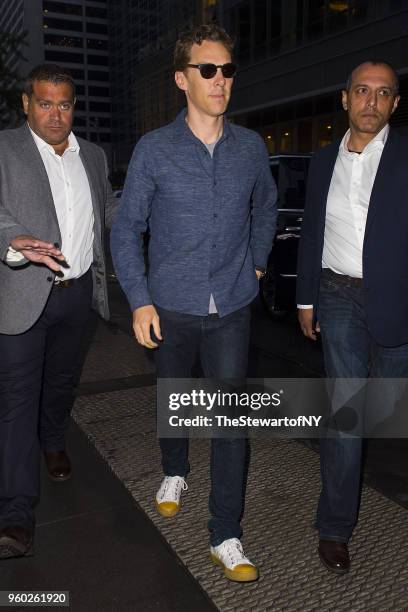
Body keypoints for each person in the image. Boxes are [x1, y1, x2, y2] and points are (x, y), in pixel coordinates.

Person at [111, 24, 277, 582]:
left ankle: (225, 534)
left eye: (227, 69)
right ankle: (174, 469)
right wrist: (138, 300)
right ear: (183, 79)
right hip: (171, 305)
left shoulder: (251, 147)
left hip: (231, 305)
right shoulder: (154, 150)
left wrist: (255, 261)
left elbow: (266, 206)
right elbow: (126, 227)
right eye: (208, 70)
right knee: (172, 398)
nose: (220, 80)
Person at [0, 64, 117, 559]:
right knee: (15, 402)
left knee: (63, 381)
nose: (56, 113)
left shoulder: (93, 155)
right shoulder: (4, 148)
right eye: (45, 103)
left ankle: (54, 441)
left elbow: (106, 210)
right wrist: (12, 240)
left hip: (76, 294)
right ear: (26, 103)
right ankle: (15, 515)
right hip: (22, 290)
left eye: (65, 104)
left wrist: (146, 209)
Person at [297, 60, 405, 574]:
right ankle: (334, 527)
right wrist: (305, 300)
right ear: (345, 98)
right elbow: (310, 233)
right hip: (338, 295)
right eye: (362, 91)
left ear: (395, 104)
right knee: (346, 415)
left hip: (399, 301)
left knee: (378, 412)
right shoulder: (322, 162)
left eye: (382, 93)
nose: (371, 102)